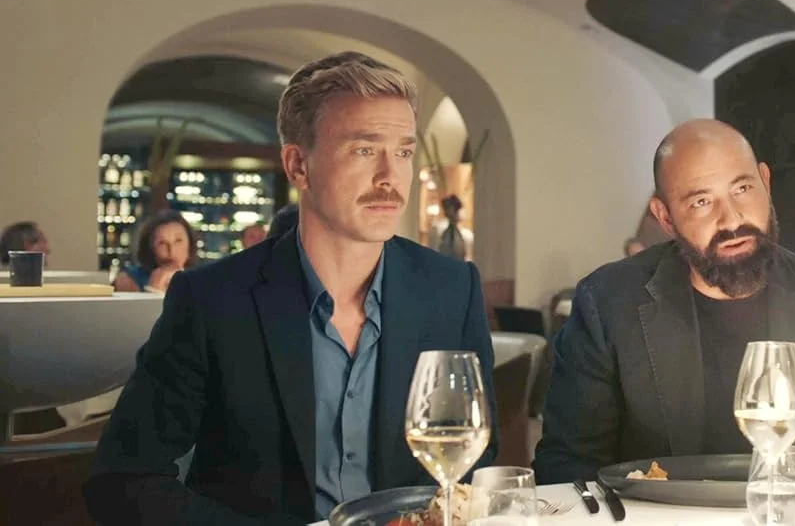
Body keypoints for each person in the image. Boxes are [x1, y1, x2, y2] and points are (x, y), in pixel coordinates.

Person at [84, 51, 498, 525]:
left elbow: (473, 466)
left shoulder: (451, 289)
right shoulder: (212, 300)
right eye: (364, 150)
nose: (390, 177)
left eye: (403, 152)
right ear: (298, 165)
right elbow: (123, 480)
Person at [533, 119, 795, 484]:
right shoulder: (607, 304)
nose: (732, 219)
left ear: (765, 182)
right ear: (665, 217)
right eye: (701, 202)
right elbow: (567, 467)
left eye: (742, 189)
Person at [112, 209, 199, 293]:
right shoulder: (127, 280)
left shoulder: (201, 279)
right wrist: (153, 290)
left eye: (178, 240)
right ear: (150, 248)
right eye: (161, 243)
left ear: (190, 244)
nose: (171, 250)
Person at [428, 194, 472, 262]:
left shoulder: (466, 235)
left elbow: (467, 255)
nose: (449, 212)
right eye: (447, 208)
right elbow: (433, 250)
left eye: (452, 209)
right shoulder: (438, 230)